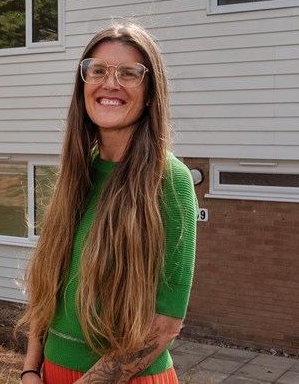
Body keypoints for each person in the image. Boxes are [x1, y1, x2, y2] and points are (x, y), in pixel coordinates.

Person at [19, 23, 198, 384]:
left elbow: (165, 324)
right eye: (97, 70)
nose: (110, 83)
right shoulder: (77, 173)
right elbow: (47, 286)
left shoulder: (170, 179)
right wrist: (29, 369)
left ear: (150, 94)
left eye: (129, 73)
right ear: (83, 84)